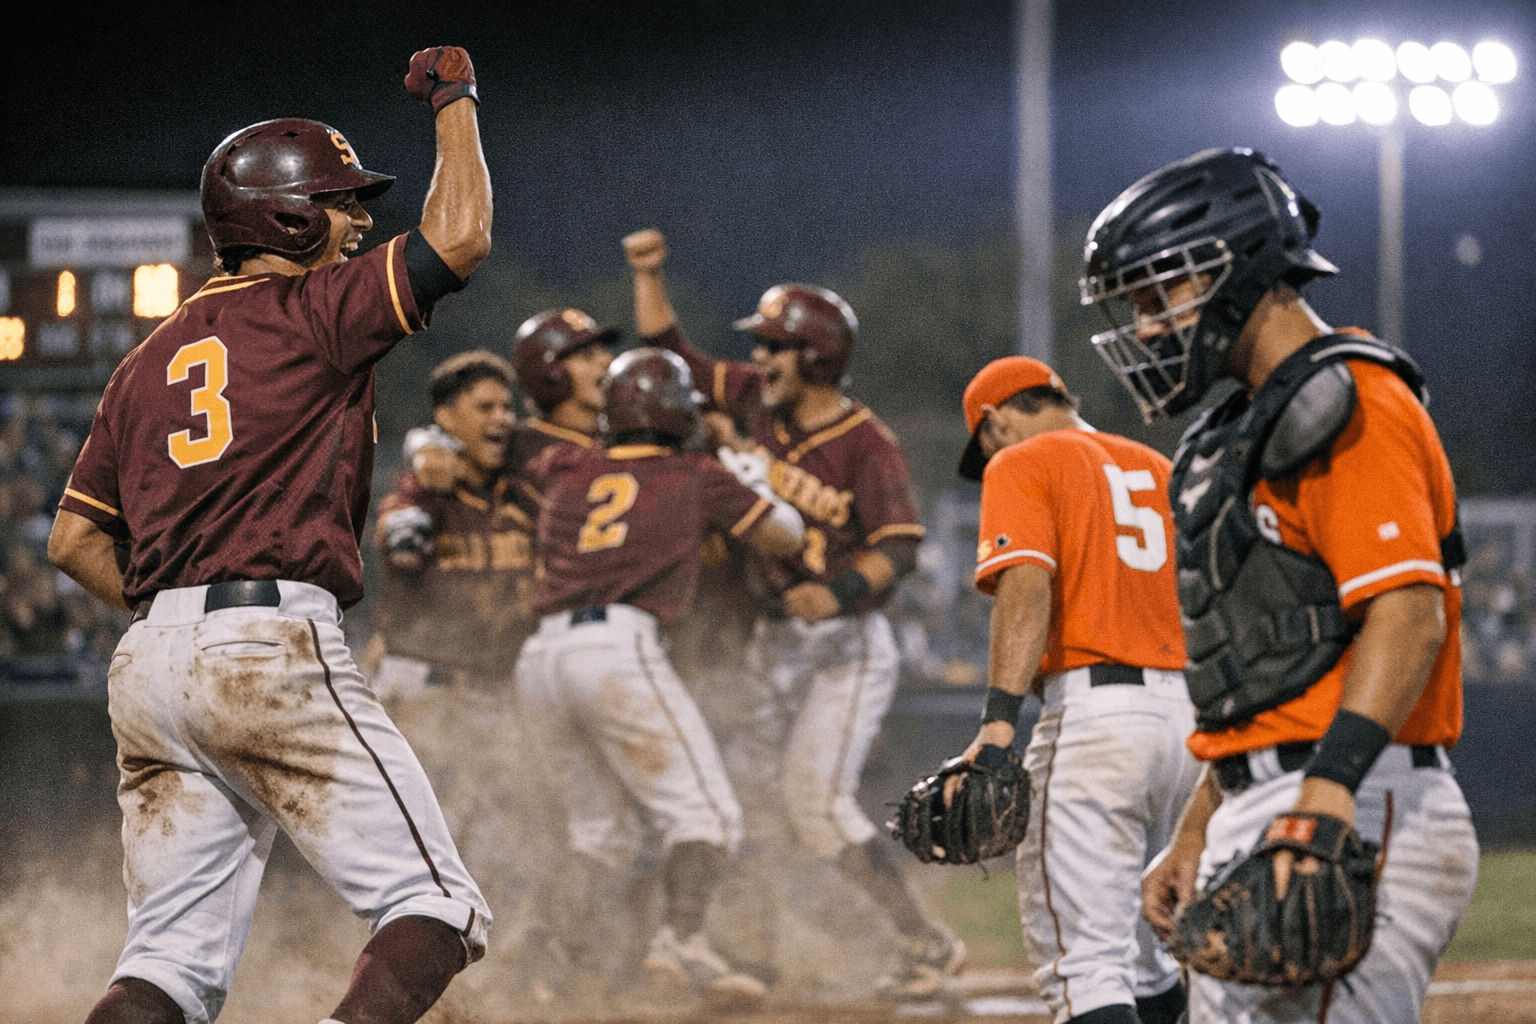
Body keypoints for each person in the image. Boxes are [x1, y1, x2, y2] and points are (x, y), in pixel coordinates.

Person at [47, 47, 494, 1024]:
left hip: (149, 663)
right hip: (267, 638)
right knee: (438, 908)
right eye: (340, 201)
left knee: (166, 963)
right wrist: (456, 101)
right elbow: (457, 239)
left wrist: (174, 618)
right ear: (287, 215)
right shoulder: (310, 310)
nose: (359, 217)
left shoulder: (139, 365)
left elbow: (73, 543)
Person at [1080, 147, 1477, 1024]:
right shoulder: (1235, 433)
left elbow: (1410, 613)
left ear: (1238, 269)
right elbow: (1261, 677)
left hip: (1354, 800)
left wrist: (1328, 791)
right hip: (1267, 799)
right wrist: (1194, 834)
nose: (1146, 326)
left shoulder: (1351, 398)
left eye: (1159, 293)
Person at [622, 228, 960, 999]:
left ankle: (925, 943)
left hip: (845, 642)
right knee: (735, 798)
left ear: (815, 355)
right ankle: (732, 948)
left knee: (812, 799)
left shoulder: (866, 442)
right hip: (772, 641)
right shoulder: (749, 397)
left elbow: (899, 546)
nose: (759, 359)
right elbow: (667, 348)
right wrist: (649, 273)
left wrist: (838, 591)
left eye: (774, 346)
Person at [513, 347, 805, 1004]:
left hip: (540, 660)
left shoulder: (567, 466)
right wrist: (748, 474)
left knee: (600, 833)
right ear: (675, 410)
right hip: (617, 648)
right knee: (709, 816)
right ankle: (680, 942)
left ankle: (537, 961)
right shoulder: (697, 472)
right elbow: (787, 534)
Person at [944, 357, 1200, 1024]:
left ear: (997, 421)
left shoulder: (1021, 462)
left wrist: (999, 723)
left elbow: (1027, 582)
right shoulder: (1159, 467)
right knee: (1151, 957)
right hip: (1187, 722)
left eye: (987, 441)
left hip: (1097, 718)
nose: (990, 456)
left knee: (1083, 966)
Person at [368, 350, 529, 697]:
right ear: (446, 417)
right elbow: (401, 540)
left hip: (493, 685)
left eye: (507, 407)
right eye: (485, 408)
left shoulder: (518, 487)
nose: (501, 418)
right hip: (424, 679)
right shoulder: (423, 490)